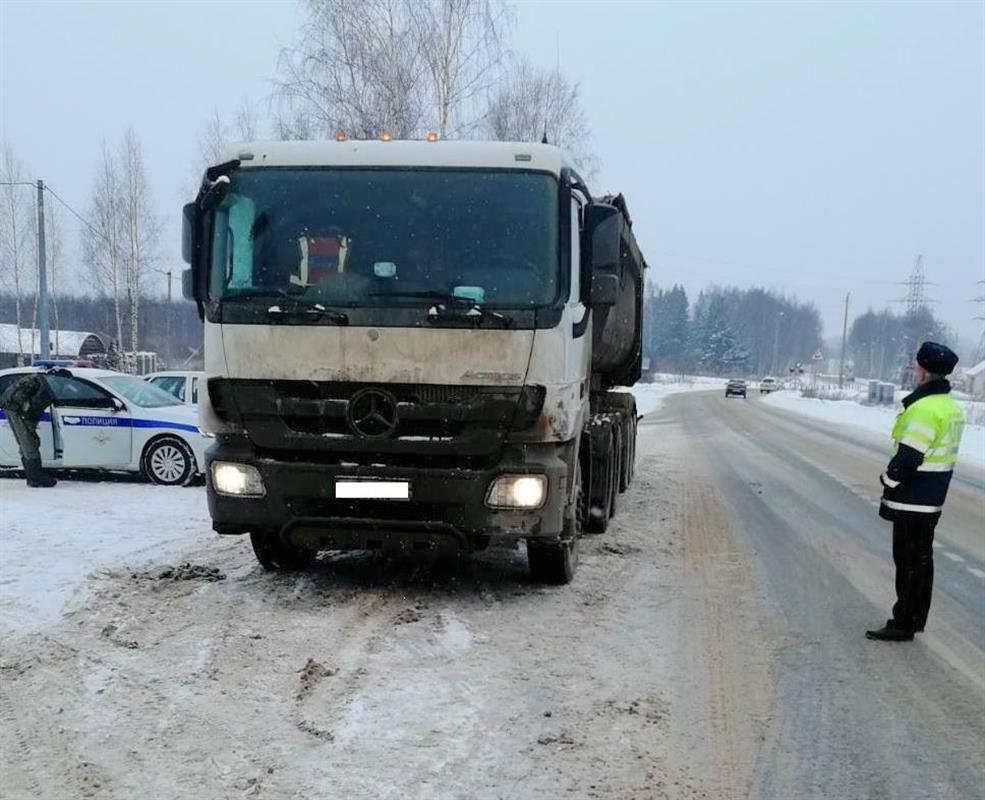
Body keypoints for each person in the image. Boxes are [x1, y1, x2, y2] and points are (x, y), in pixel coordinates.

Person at [866, 342, 964, 642]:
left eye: (917, 368)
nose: (914, 372)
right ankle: (913, 619)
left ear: (923, 373)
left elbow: (909, 456)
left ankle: (903, 622)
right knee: (921, 562)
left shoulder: (924, 409)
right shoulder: (950, 407)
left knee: (909, 563)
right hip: (932, 498)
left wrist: (888, 480)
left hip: (913, 499)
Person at [0, 370, 59, 488]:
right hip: (17, 410)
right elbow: (30, 409)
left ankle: (33, 475)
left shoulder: (38, 380)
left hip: (13, 407)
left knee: (27, 442)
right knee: (29, 443)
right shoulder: (41, 388)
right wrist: (28, 417)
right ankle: (35, 478)